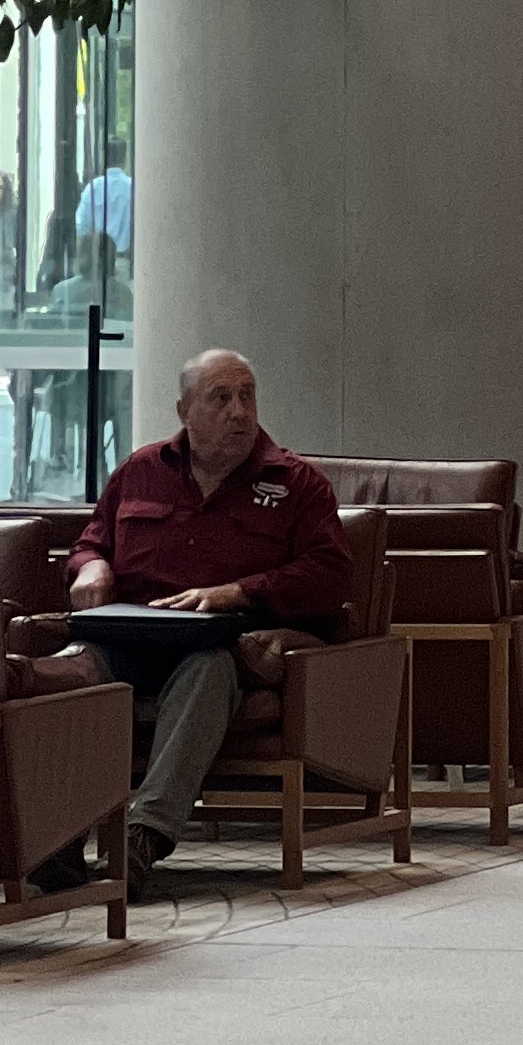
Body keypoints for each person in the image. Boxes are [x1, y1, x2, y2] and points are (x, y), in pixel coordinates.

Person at [72, 348, 350, 879]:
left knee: (208, 670)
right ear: (184, 411)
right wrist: (91, 568)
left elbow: (331, 576)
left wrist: (239, 592)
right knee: (71, 669)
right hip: (127, 637)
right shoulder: (141, 470)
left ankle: (143, 837)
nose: (239, 412)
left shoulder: (298, 484)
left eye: (247, 396)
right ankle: (52, 841)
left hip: (214, 646)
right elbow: (89, 543)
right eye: (221, 398)